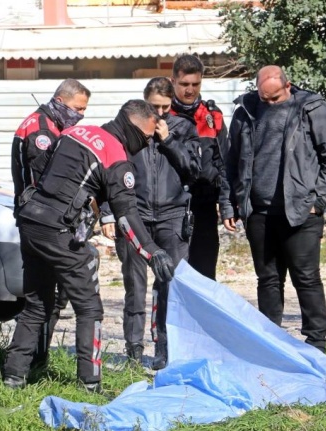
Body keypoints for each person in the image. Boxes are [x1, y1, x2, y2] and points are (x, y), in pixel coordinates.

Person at [3, 100, 176, 392]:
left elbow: (40, 170)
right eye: (146, 137)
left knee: (36, 304)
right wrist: (152, 252)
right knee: (89, 308)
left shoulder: (77, 132)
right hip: (59, 231)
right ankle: (90, 384)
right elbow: (126, 215)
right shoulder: (116, 155)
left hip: (31, 222)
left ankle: (13, 376)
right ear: (131, 126)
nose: (148, 143)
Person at [222, 65, 326, 353]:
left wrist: (318, 201)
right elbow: (231, 162)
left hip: (301, 212)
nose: (269, 103)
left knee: (306, 277)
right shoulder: (246, 111)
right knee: (267, 280)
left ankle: (317, 344)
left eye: (274, 98)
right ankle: (270, 342)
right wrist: (230, 203)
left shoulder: (312, 108)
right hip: (259, 213)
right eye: (264, 98)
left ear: (287, 86)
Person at [100, 77, 201, 370]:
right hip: (135, 215)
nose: (158, 114)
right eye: (153, 107)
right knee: (134, 284)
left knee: (169, 284)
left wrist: (168, 140)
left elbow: (194, 170)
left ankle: (164, 348)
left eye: (164, 107)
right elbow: (107, 172)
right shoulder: (126, 129)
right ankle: (133, 349)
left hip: (172, 217)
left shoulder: (183, 128)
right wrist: (108, 212)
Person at [10, 78, 90, 368]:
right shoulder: (41, 130)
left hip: (42, 220)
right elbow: (50, 178)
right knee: (44, 301)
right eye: (77, 109)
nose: (80, 115)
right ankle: (31, 361)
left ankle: (27, 364)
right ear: (60, 100)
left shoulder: (52, 124)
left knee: (49, 299)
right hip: (43, 223)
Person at [169, 54, 230, 281]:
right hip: (171, 206)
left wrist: (226, 204)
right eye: (184, 84)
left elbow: (225, 163)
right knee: (175, 276)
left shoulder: (212, 116)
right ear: (173, 81)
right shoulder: (162, 115)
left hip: (204, 206)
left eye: (195, 84)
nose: (190, 90)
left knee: (205, 275)